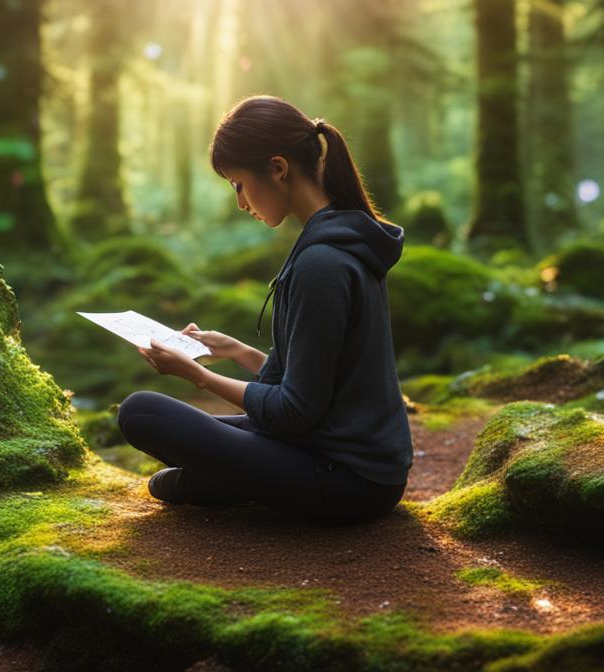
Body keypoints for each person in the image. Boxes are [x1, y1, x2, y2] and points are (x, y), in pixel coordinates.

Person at [118, 94, 413, 526]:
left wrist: (195, 375)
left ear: (277, 168)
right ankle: (231, 478)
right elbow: (311, 383)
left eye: (238, 184)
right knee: (182, 448)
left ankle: (224, 481)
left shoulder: (323, 262)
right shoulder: (338, 242)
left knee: (141, 412)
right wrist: (236, 350)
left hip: (348, 479)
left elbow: (294, 410)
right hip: (340, 456)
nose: (240, 202)